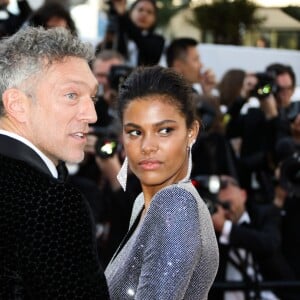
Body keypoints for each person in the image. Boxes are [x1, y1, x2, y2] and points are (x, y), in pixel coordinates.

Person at [0, 26, 109, 299]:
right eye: (72, 95)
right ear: (17, 104)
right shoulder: (51, 203)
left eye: (92, 98)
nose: (92, 114)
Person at [104, 65, 219, 299]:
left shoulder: (175, 204)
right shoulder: (143, 204)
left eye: (164, 130)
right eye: (135, 132)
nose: (147, 146)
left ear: (192, 132)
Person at [209, 175, 297, 300]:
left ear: (243, 195)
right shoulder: (209, 227)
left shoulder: (264, 214)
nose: (226, 210)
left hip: (268, 292)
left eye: (227, 204)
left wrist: (226, 228)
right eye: (221, 206)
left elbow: (269, 243)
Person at [99, 0, 165, 67]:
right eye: (140, 10)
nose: (144, 14)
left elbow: (142, 43)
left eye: (149, 12)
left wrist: (123, 15)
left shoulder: (158, 40)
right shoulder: (119, 34)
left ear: (155, 18)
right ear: (131, 12)